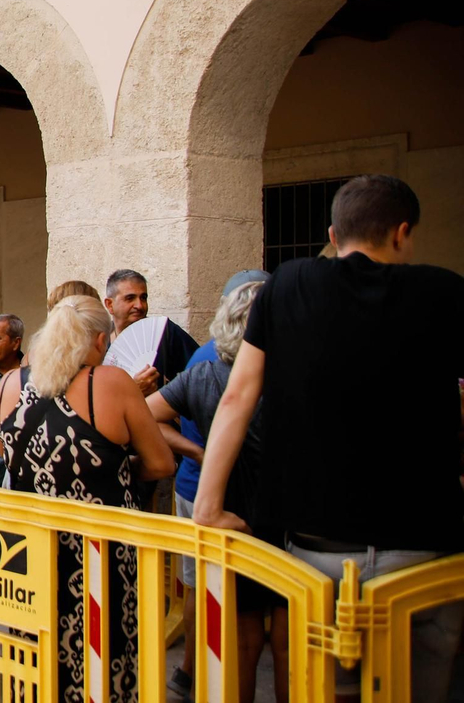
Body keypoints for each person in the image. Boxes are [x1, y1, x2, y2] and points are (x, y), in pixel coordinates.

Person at [194, 175, 464, 701]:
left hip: (314, 551)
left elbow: (237, 397)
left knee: (326, 690)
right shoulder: (446, 291)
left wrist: (206, 506)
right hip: (422, 551)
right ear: (403, 232)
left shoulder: (289, 285)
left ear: (333, 234)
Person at [0, 294, 174, 703]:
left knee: (34, 644)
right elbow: (161, 463)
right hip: (98, 549)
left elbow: (9, 454)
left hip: (28, 549)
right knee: (104, 645)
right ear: (96, 340)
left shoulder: (10, 383)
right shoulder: (109, 383)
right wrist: (118, 471)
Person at [148, 277, 284, 703]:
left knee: (243, 638)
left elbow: (144, 415)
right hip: (284, 519)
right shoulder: (289, 375)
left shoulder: (202, 374)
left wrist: (198, 451)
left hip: (229, 515)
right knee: (287, 637)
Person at [102, 268, 199, 394]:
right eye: (130, 298)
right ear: (110, 304)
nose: (139, 305)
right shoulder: (99, 341)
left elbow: (200, 374)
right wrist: (132, 391)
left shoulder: (165, 332)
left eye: (143, 298)